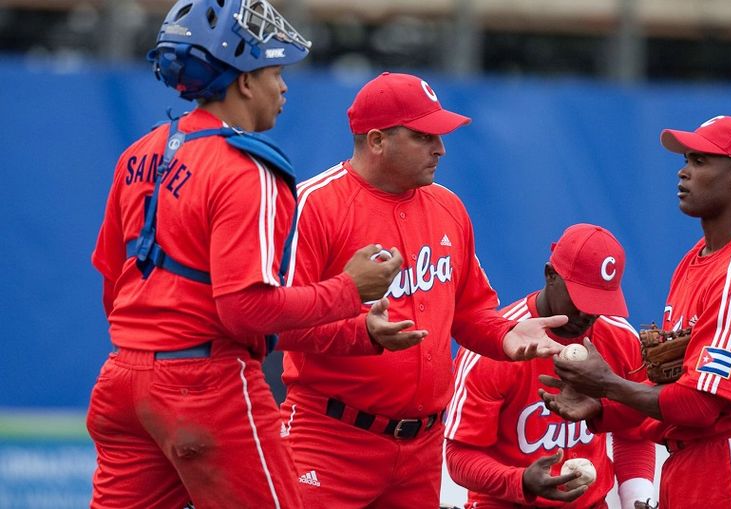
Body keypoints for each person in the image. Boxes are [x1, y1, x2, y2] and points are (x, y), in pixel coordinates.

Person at [87, 2, 416, 507]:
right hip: (204, 385)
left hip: (121, 382)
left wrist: (355, 332)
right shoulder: (249, 169)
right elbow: (245, 311)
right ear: (244, 81)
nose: (283, 88)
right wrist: (350, 290)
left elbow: (114, 283)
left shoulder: (140, 152)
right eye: (275, 73)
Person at [279, 71, 569, 508]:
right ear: (377, 140)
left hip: (421, 449)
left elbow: (471, 312)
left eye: (439, 134)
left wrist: (506, 335)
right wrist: (362, 333)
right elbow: (280, 323)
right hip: (330, 438)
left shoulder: (447, 206)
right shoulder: (316, 204)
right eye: (423, 136)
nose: (440, 148)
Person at [540, 115, 731, 508]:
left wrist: (608, 384)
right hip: (692, 464)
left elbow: (701, 405)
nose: (683, 171)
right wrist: (605, 406)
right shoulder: (695, 260)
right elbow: (669, 389)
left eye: (700, 161)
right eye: (686, 160)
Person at [444, 223, 656, 509]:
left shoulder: (621, 338)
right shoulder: (495, 344)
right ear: (550, 275)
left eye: (600, 301)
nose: (588, 314)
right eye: (581, 298)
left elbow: (635, 433)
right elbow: (459, 457)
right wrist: (520, 481)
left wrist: (636, 500)